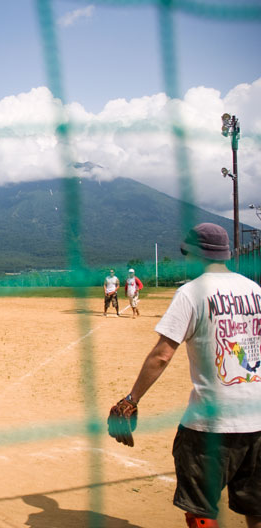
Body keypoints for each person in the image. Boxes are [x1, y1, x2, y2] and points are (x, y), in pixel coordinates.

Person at [108, 223, 261, 528]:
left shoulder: (191, 292)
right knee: (255, 506)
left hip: (210, 424)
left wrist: (131, 399)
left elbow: (162, 355)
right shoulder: (255, 290)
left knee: (200, 510)